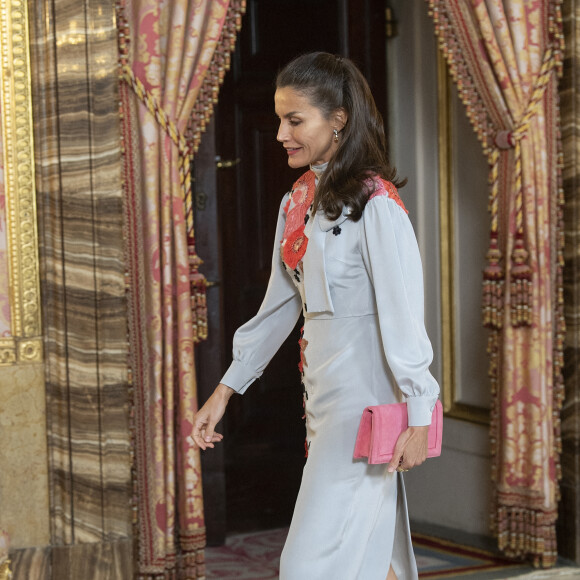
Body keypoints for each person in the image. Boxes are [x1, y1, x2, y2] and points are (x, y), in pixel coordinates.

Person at [192, 52, 440, 580]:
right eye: (280, 118)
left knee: (309, 563)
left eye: (295, 120)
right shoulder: (297, 200)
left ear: (339, 120)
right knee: (368, 553)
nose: (281, 132)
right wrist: (225, 391)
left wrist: (420, 416)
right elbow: (279, 308)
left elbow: (403, 317)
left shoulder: (377, 203)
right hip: (323, 398)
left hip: (367, 402)